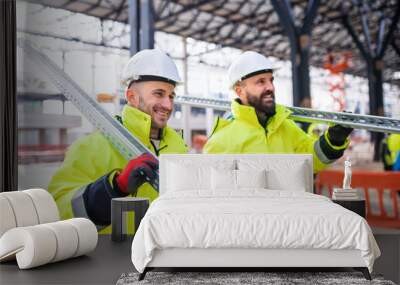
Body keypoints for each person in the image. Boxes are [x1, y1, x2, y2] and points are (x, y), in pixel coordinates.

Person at [48, 49, 188, 233]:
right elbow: (57, 210)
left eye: (171, 96)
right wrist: (114, 188)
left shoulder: (179, 146)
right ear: (132, 97)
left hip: (166, 253)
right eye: (159, 94)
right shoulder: (91, 147)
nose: (168, 105)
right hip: (111, 255)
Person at [203, 51, 353, 173]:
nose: (270, 88)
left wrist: (333, 140)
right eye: (261, 82)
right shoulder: (220, 142)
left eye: (271, 80)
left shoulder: (285, 126)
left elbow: (311, 160)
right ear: (239, 91)